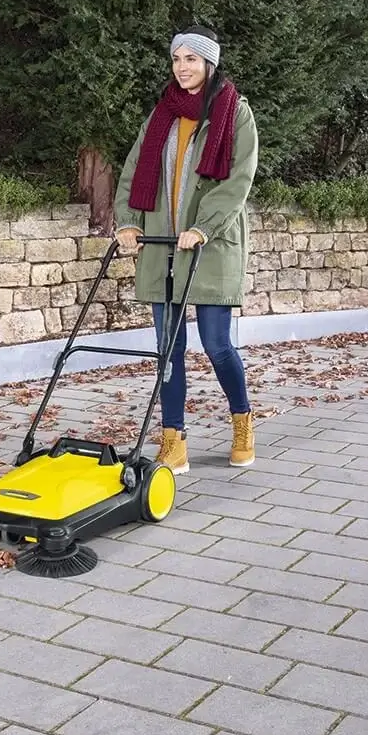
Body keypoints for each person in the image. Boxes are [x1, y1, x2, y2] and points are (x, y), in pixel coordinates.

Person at [113, 25, 259, 474]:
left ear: (208, 62)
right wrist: (128, 221)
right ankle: (173, 440)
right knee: (168, 349)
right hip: (163, 243)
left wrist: (203, 226)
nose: (182, 67)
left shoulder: (234, 112)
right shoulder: (163, 114)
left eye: (191, 58)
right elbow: (134, 169)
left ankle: (242, 421)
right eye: (176, 59)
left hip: (210, 245)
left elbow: (238, 180)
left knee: (217, 343)